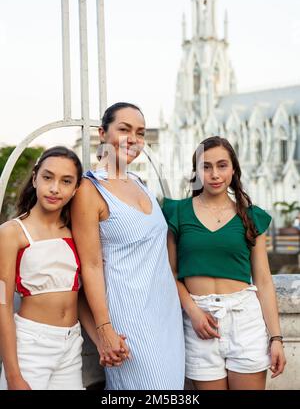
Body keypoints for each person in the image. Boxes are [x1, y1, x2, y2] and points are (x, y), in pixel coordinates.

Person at [71, 102, 185, 390]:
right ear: (102, 133)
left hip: (167, 317)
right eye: (124, 129)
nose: (134, 139)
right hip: (129, 321)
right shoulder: (89, 189)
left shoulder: (139, 182)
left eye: (140, 132)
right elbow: (91, 266)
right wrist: (104, 330)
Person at [163, 136, 286, 390]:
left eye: (221, 165)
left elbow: (263, 280)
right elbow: (169, 273)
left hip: (245, 319)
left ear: (233, 169)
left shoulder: (251, 217)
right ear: (196, 172)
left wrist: (276, 338)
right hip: (200, 322)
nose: (214, 174)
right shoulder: (177, 212)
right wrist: (194, 312)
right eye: (206, 167)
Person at [0, 146, 84, 390]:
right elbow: (2, 307)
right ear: (35, 177)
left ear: (76, 188)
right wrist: (13, 375)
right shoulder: (10, 233)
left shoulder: (75, 231)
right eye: (48, 177)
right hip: (31, 345)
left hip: (71, 344)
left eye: (66, 181)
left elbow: (80, 297)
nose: (55, 188)